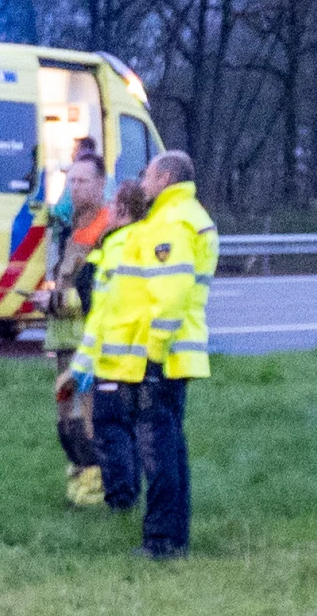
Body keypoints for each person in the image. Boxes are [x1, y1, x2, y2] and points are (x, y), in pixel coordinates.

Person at [82, 149, 217, 558]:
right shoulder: (187, 216)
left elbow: (170, 294)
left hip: (162, 356)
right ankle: (173, 537)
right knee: (171, 449)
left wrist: (153, 354)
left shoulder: (171, 222)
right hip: (176, 352)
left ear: (165, 178)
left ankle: (161, 541)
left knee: (158, 452)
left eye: (148, 176)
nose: (142, 183)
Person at [40, 145, 119, 506]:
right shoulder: (67, 229)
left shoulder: (108, 229)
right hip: (64, 341)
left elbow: (98, 294)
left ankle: (98, 489)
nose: (75, 187)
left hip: (91, 344)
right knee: (65, 420)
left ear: (101, 184)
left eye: (84, 181)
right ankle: (78, 484)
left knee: (88, 419)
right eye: (71, 180)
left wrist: (57, 301)